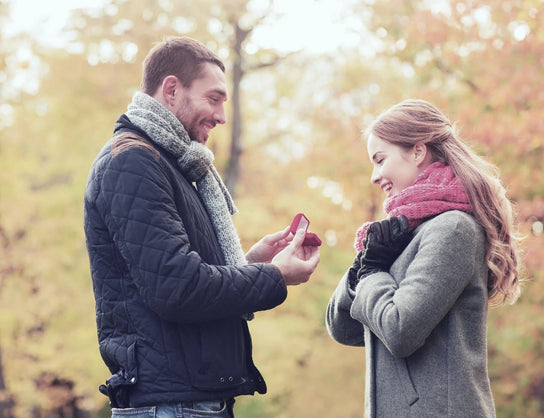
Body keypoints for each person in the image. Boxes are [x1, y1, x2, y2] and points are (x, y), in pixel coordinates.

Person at [83, 36, 320, 417]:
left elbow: (179, 273)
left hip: (187, 402)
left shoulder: (168, 164)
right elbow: (178, 287)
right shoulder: (133, 163)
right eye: (214, 98)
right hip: (172, 406)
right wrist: (274, 277)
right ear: (172, 90)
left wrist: (253, 261)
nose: (222, 117)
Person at [326, 99, 521, 417]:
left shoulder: (454, 228)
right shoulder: (402, 234)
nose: (374, 176)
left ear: (417, 151)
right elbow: (343, 327)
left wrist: (373, 271)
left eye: (380, 159)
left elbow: (400, 332)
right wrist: (364, 264)